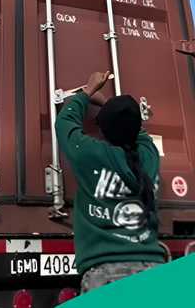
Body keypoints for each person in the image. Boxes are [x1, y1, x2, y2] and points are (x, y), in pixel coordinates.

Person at [56, 71, 165, 294]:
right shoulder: (150, 155)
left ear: (102, 130)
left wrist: (88, 91)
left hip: (104, 274)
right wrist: (111, 108)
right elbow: (137, 131)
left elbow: (64, 122)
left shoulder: (90, 154)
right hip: (153, 267)